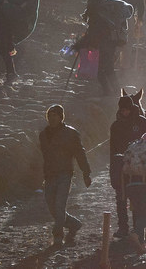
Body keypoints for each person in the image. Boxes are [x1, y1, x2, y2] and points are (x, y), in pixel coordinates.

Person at [38, 104, 91, 248]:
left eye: (54, 115)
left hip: (65, 174)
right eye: (49, 116)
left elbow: (80, 153)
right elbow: (44, 157)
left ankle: (58, 236)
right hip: (49, 175)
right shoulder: (43, 135)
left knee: (60, 205)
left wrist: (86, 172)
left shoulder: (71, 133)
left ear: (61, 117)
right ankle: (74, 224)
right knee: (52, 207)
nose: (51, 118)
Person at [110, 93, 146, 239]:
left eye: (127, 109)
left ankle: (136, 228)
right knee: (120, 197)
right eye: (122, 110)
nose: (125, 112)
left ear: (132, 108)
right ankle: (123, 227)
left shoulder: (142, 123)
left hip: (139, 167)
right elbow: (113, 148)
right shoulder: (115, 126)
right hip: (122, 165)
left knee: (136, 196)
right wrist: (114, 168)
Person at [79, 0, 132, 95]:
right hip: (112, 43)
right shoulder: (103, 9)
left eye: (88, 0)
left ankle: (110, 92)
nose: (87, 3)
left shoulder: (97, 12)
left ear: (92, 0)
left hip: (105, 44)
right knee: (108, 68)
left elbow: (97, 31)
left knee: (102, 70)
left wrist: (89, 43)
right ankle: (115, 91)